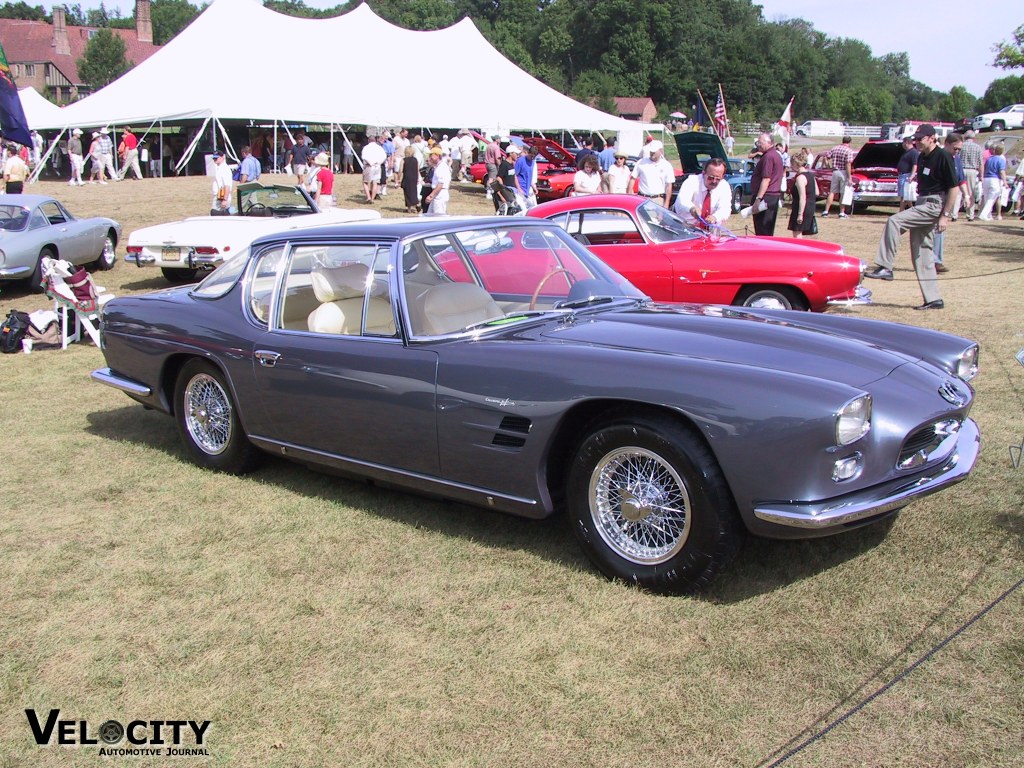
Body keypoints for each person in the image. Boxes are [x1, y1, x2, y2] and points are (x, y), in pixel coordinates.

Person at [864, 125, 959, 310]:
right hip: (922, 201)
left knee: (894, 221)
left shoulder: (944, 156)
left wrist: (945, 216)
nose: (917, 142)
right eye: (916, 138)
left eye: (921, 139)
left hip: (934, 203)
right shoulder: (922, 156)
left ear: (932, 138)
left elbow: (953, 188)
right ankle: (934, 299)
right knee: (921, 252)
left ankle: (885, 267)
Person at [672, 157, 731, 229]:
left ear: (723, 177)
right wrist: (692, 209)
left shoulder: (724, 186)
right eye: (711, 177)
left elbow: (725, 208)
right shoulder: (692, 181)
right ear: (703, 173)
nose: (714, 181)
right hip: (685, 227)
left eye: (718, 179)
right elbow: (682, 200)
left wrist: (715, 217)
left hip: (710, 231)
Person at [749, 132, 784, 235]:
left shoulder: (768, 157)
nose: (758, 145)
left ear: (770, 143)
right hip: (771, 197)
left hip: (766, 197)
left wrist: (758, 199)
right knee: (766, 230)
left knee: (762, 231)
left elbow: (766, 179)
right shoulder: (775, 155)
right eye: (758, 142)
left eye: (760, 142)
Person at [630, 139, 675, 207]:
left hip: (658, 200)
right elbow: (632, 178)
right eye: (651, 151)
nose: (652, 153)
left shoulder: (667, 165)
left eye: (654, 152)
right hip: (642, 199)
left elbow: (669, 186)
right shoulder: (641, 162)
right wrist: (630, 195)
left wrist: (666, 203)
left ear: (661, 151)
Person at [786, 150, 818, 238]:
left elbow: (802, 197)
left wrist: (800, 214)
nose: (791, 166)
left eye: (792, 164)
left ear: (796, 164)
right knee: (799, 231)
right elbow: (817, 192)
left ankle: (799, 251)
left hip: (801, 208)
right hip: (810, 206)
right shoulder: (811, 175)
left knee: (797, 232)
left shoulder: (800, 178)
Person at [822, 136, 854, 218]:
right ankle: (841, 212)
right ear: (849, 142)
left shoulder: (835, 148)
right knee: (843, 193)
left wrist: (828, 167)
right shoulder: (849, 151)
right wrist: (849, 177)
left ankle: (826, 211)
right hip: (843, 172)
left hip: (835, 171)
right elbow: (848, 164)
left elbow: (826, 157)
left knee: (832, 192)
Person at [977, 143, 1007, 221]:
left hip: (987, 179)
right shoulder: (1001, 159)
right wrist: (1005, 182)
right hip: (995, 179)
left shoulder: (989, 159)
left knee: (987, 198)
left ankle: (988, 215)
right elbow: (1001, 171)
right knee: (992, 199)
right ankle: (984, 214)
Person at [959, 129, 983, 220]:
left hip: (961, 169)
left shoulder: (962, 146)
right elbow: (980, 163)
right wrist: (981, 175)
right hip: (972, 170)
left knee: (958, 193)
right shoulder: (977, 147)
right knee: (970, 192)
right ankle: (970, 214)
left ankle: (954, 214)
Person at [492, 143, 522, 212]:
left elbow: (514, 177)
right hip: (505, 193)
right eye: (516, 154)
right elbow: (499, 178)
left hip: (512, 192)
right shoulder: (504, 164)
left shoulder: (512, 164)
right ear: (511, 154)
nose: (518, 155)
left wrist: (519, 188)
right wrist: (501, 195)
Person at [424, 146, 451, 215]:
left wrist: (431, 196)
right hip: (437, 195)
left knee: (438, 218)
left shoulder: (441, 167)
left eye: (431, 155)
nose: (430, 157)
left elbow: (440, 184)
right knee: (429, 216)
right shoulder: (438, 166)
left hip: (440, 195)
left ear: (437, 156)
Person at [361, 134, 387, 203]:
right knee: (375, 182)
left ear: (368, 140)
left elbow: (364, 157)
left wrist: (370, 162)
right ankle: (372, 198)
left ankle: (369, 197)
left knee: (365, 182)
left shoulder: (366, 148)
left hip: (369, 166)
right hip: (377, 166)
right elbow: (384, 156)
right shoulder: (379, 148)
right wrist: (379, 162)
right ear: (375, 140)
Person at [896, 136, 919, 212]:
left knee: (904, 196)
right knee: (907, 196)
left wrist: (912, 175)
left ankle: (900, 213)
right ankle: (914, 211)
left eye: (903, 142)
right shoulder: (907, 152)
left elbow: (915, 165)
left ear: (906, 142)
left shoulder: (914, 152)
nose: (902, 144)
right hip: (902, 176)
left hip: (907, 176)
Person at [514, 145, 540, 209]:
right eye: (531, 156)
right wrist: (519, 188)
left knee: (533, 208)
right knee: (523, 210)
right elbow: (515, 175)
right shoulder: (520, 161)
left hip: (528, 190)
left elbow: (528, 176)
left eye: (534, 157)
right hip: (520, 189)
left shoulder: (533, 162)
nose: (532, 158)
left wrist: (534, 187)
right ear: (528, 152)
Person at [209, 151, 233, 216]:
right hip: (219, 197)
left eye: (216, 158)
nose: (214, 160)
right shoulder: (220, 168)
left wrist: (225, 199)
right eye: (214, 158)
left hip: (221, 198)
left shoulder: (225, 169)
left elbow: (227, 185)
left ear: (222, 157)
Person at [401, 146, 420, 213]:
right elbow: (417, 170)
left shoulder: (404, 160)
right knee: (414, 191)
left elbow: (400, 170)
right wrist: (418, 178)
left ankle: (409, 208)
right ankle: (416, 204)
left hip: (407, 177)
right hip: (414, 177)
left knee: (407, 192)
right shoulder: (415, 160)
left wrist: (398, 179)